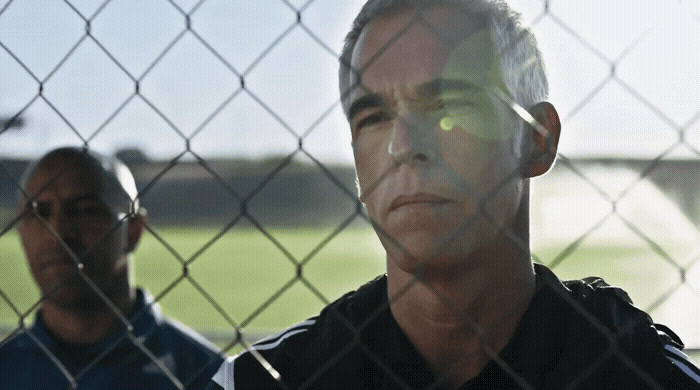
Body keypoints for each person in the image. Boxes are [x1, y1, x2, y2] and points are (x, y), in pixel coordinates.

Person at [210, 0, 700, 389]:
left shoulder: (641, 373)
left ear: (537, 139)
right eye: (374, 117)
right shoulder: (266, 379)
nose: (403, 147)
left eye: (450, 105)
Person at [0, 147, 223, 389]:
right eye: (39, 212)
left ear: (134, 229)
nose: (58, 232)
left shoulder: (207, 375)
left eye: (85, 210)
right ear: (20, 233)